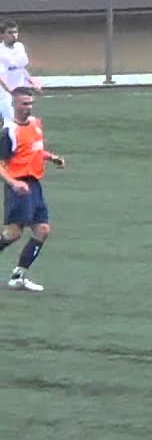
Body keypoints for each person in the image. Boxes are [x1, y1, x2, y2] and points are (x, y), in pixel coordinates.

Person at [0, 87, 66, 292]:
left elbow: (33, 149)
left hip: (34, 185)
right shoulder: (9, 132)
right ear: (13, 104)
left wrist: (51, 157)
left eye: (30, 103)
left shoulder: (35, 124)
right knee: (13, 234)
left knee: (42, 230)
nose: (28, 107)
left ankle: (18, 276)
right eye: (24, 103)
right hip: (18, 186)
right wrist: (13, 183)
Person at [0, 21, 42, 123]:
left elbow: (21, 68)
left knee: (21, 120)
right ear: (2, 35)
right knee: (10, 122)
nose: (13, 35)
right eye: (10, 32)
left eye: (15, 32)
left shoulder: (20, 47)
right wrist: (12, 92)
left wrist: (33, 82)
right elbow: (1, 77)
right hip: (4, 93)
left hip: (19, 89)